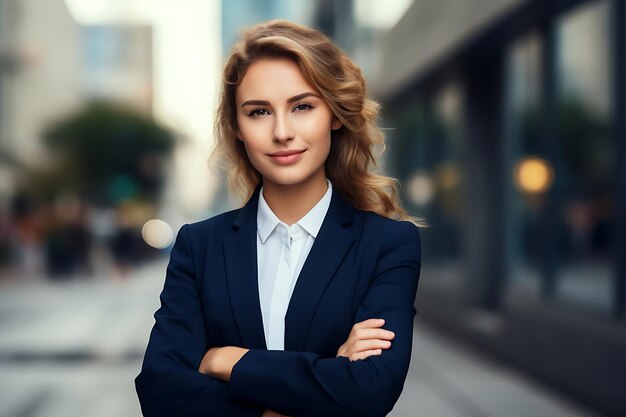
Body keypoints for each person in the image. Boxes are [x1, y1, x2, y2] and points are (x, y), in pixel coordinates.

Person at [135, 19, 425, 417]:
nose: (282, 132)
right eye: (258, 112)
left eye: (302, 106)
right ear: (237, 127)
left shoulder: (387, 245)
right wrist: (325, 378)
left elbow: (370, 391)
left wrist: (224, 361)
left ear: (335, 115)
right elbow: (160, 392)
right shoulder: (198, 246)